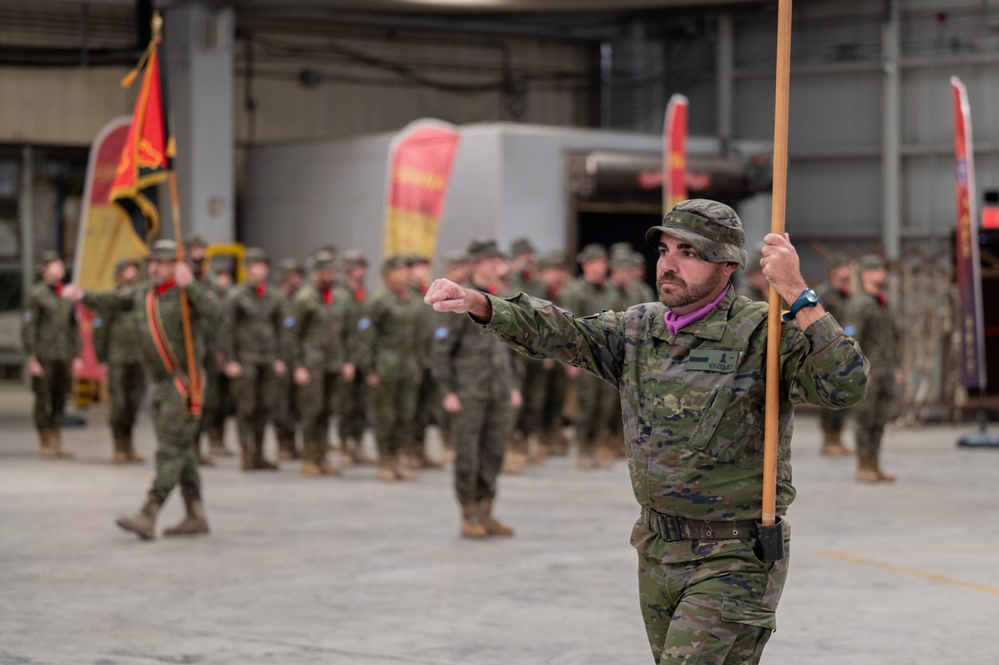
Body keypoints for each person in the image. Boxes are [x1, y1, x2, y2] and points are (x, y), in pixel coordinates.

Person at [425, 199, 869, 662]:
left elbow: (846, 385)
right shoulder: (639, 329)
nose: (669, 265)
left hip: (734, 554)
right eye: (665, 250)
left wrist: (798, 292)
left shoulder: (762, 333)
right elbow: (562, 331)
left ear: (727, 264)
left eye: (689, 253)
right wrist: (483, 304)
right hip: (657, 548)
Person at [64, 239, 219, 540]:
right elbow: (113, 300)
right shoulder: (144, 293)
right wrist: (83, 295)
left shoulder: (187, 294)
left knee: (170, 449)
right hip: (159, 383)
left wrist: (193, 286)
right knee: (182, 449)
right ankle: (195, 514)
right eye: (154, 262)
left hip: (183, 382)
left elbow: (217, 312)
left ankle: (149, 512)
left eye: (163, 262)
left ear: (177, 266)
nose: (156, 267)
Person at [431, 239, 521, 539]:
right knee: (467, 454)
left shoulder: (504, 297)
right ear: (475, 264)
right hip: (468, 391)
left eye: (499, 259)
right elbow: (441, 351)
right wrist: (448, 391)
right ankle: (468, 513)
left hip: (499, 389)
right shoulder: (459, 299)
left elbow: (512, 347)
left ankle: (486, 511)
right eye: (490, 260)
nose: (497, 265)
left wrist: (513, 385)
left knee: (494, 451)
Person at [285, 248, 353, 477]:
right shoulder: (304, 298)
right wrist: (298, 365)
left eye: (334, 272)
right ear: (317, 274)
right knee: (311, 412)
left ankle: (322, 457)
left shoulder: (339, 297)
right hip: (312, 364)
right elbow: (292, 335)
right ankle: (309, 459)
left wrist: (346, 361)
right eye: (328, 273)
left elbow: (345, 332)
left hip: (333, 363)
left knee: (327, 411)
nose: (332, 276)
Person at [218, 247, 285, 471]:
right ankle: (246, 454)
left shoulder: (273, 295)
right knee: (246, 408)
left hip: (267, 358)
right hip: (245, 358)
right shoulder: (236, 296)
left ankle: (259, 453)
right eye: (256, 265)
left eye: (264, 266)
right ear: (247, 269)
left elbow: (280, 328)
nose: (261, 270)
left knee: (265, 406)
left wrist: (279, 357)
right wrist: (229, 360)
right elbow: (226, 330)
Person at [360, 255, 424, 481]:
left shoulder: (411, 298)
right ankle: (385, 461)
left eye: (406, 269)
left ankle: (398, 459)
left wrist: (417, 365)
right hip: (385, 366)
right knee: (385, 415)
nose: (404, 274)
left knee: (405, 414)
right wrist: (370, 369)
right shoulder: (378, 300)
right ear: (387, 274)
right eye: (399, 270)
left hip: (407, 366)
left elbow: (417, 336)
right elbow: (367, 337)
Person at [561, 243, 619, 468]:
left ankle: (596, 446)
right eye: (594, 263)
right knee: (585, 404)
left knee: (604, 404)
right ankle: (582, 449)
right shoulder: (574, 291)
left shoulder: (610, 291)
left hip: (608, 355)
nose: (599, 268)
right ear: (585, 265)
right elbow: (568, 325)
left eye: (602, 263)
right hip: (584, 355)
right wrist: (570, 359)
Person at [845, 254, 900, 482]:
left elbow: (892, 338)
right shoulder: (859, 304)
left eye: (882, 270)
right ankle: (863, 466)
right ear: (865, 274)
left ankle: (874, 464)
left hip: (886, 370)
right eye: (876, 270)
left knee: (880, 419)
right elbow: (851, 339)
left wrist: (896, 368)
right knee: (865, 418)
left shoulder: (882, 301)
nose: (882, 274)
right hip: (869, 373)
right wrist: (859, 370)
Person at [22, 250, 78, 459]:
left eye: (61, 264)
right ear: (44, 270)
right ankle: (44, 440)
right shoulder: (36, 294)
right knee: (42, 398)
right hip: (44, 355)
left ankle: (56, 440)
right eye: (55, 265)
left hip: (64, 355)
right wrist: (32, 357)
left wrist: (77, 355)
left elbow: (74, 326)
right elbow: (29, 327)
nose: (60, 268)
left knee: (60, 398)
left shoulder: (66, 294)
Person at [92, 257, 145, 463]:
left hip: (139, 357)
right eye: (128, 270)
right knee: (120, 403)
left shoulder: (142, 297)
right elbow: (101, 331)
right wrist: (102, 358)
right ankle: (118, 445)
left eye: (134, 270)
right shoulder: (111, 300)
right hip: (118, 357)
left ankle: (130, 444)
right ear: (119, 274)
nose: (131, 274)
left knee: (134, 402)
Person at [335, 249, 374, 466]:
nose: (362, 272)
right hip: (346, 360)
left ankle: (358, 446)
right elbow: (336, 333)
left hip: (363, 359)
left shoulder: (364, 294)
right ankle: (344, 447)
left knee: (361, 405)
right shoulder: (340, 296)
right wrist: (345, 360)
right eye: (358, 268)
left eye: (363, 268)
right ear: (348, 271)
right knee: (345, 405)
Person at [815, 252, 854, 456]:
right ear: (833, 272)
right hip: (829, 351)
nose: (847, 271)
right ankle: (828, 439)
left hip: (845, 350)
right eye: (843, 267)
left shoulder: (848, 294)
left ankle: (838, 438)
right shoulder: (824, 295)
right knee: (830, 393)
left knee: (844, 393)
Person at [273, 258, 305, 460]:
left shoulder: (300, 300)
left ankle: (293, 442)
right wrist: (276, 358)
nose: (298, 280)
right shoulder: (275, 300)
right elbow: (270, 331)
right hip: (281, 359)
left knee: (296, 404)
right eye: (294, 276)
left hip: (297, 359)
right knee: (281, 404)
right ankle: (283, 444)